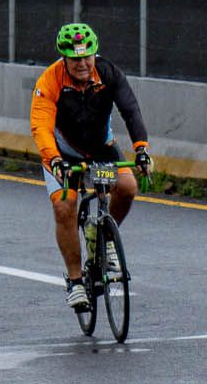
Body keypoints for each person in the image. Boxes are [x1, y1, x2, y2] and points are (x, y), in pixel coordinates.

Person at [30, 19, 152, 317]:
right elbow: (41, 127)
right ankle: (75, 282)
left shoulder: (108, 73)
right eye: (75, 59)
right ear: (64, 58)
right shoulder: (49, 81)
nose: (82, 64)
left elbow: (130, 110)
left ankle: (104, 237)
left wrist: (141, 149)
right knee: (65, 206)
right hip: (62, 156)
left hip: (100, 151)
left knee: (127, 187)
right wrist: (53, 159)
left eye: (87, 57)